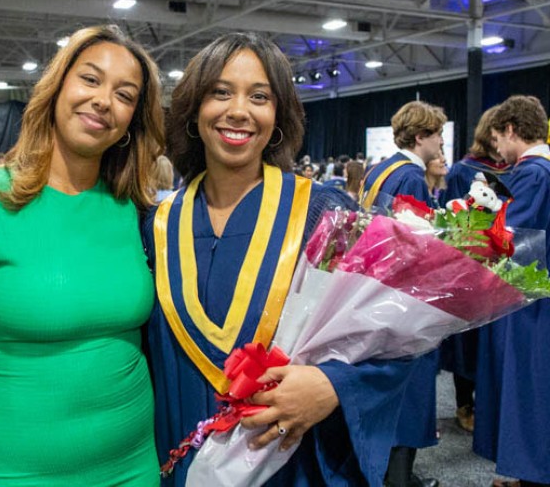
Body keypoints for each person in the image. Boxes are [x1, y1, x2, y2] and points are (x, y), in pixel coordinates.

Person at [145, 33, 414, 486]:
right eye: (220, 92)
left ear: (278, 115)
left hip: (286, 458)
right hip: (178, 449)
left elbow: (397, 335)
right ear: (194, 110)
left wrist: (333, 387)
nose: (238, 110)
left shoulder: (323, 214)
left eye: (260, 97)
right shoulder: (155, 225)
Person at [0, 24, 165, 486]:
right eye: (89, 80)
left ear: (133, 119)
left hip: (134, 468)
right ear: (56, 88)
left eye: (125, 94)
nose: (103, 100)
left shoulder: (135, 210)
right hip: (21, 472)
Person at [359, 100, 447, 487]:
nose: (441, 142)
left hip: (372, 290)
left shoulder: (379, 168)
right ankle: (399, 479)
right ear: (420, 137)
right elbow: (416, 243)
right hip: (404, 297)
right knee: (409, 389)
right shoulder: (411, 177)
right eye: (438, 135)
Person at [475, 95, 550, 487]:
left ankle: (531, 470)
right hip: (538, 289)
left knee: (530, 384)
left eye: (497, 141)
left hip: (531, 296)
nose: (497, 152)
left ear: (510, 129)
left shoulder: (534, 172)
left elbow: (511, 236)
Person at [439, 106, 511, 434]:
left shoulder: (513, 168)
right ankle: (464, 404)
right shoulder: (462, 171)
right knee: (465, 340)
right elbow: (455, 220)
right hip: (468, 266)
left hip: (501, 267)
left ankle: (491, 405)